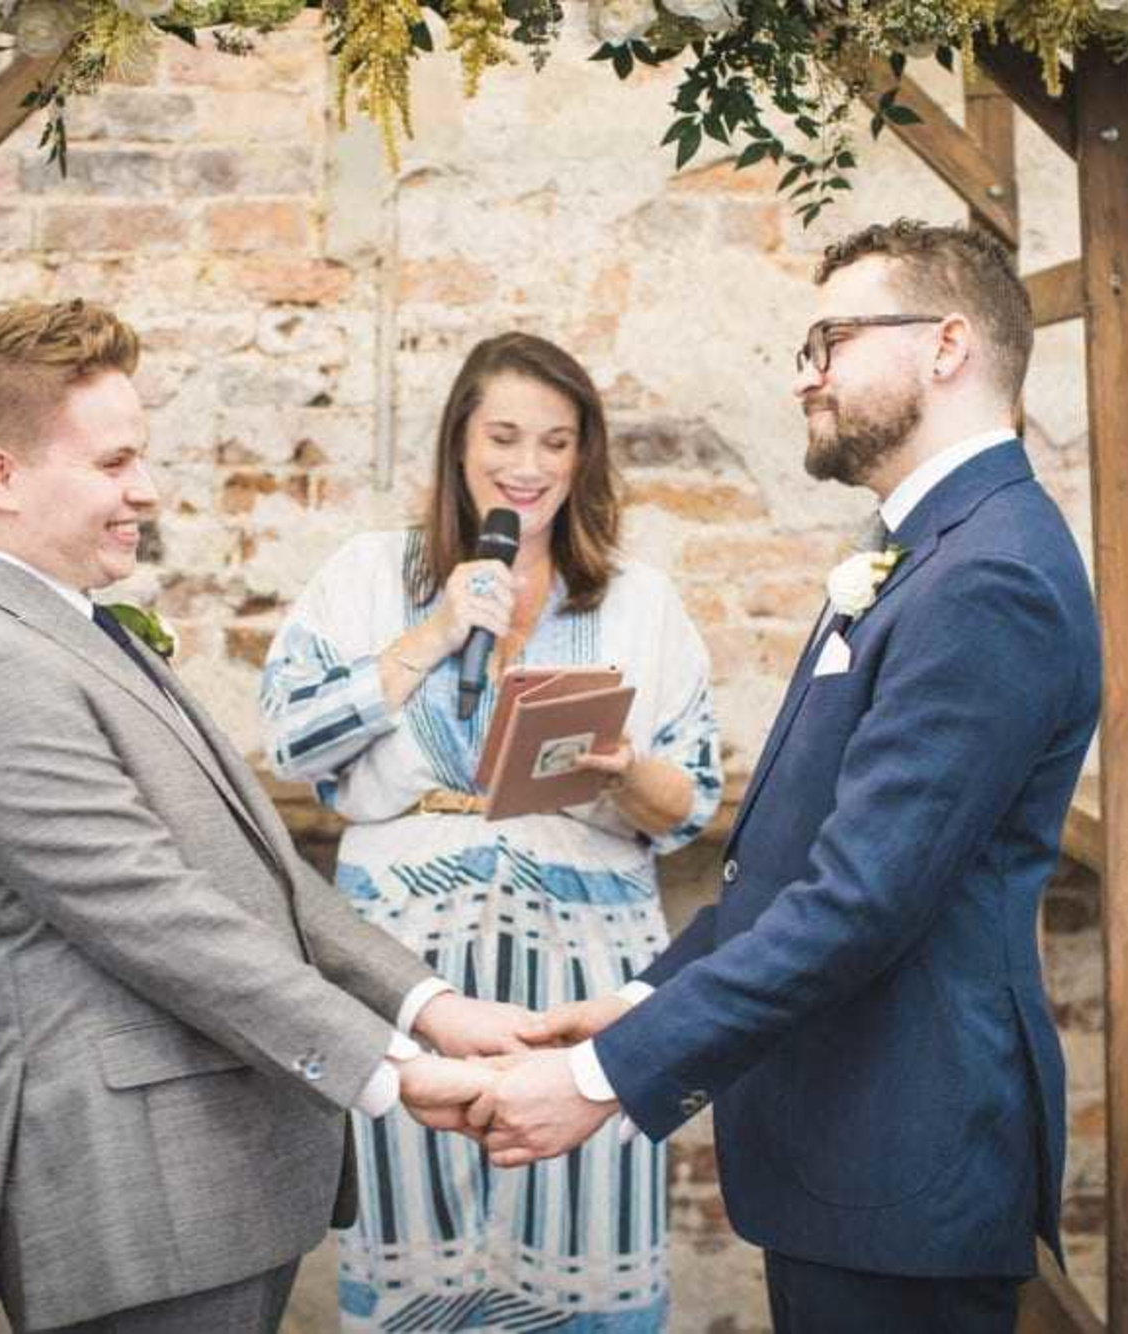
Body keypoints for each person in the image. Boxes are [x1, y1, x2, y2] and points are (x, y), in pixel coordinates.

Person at [481, 221, 1103, 1333]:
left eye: (831, 338)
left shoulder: (988, 572)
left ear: (946, 345)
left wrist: (599, 1080)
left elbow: (860, 901)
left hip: (900, 1148)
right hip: (845, 1146)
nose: (804, 373)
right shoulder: (924, 542)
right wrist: (638, 999)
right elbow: (800, 855)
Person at [0, 299, 531, 1334]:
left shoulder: (71, 625)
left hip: (217, 1175)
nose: (143, 489)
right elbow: (160, 916)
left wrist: (430, 1005)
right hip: (139, 1201)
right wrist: (395, 1069)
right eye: (111, 463)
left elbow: (258, 870)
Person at [260, 331, 724, 1330]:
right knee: (417, 1246)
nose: (528, 464)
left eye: (555, 442)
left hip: (582, 977)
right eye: (504, 435)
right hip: (409, 973)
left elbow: (688, 806)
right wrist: (432, 637)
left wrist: (619, 767)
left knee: (580, 1227)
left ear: (582, 456)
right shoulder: (364, 577)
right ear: (456, 445)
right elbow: (292, 740)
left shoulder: (639, 601)